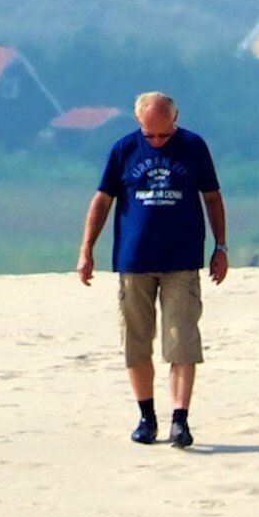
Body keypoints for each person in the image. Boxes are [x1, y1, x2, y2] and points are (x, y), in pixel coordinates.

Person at [76, 91, 226, 449]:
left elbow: (212, 197)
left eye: (164, 133)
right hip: (134, 260)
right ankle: (146, 417)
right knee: (136, 341)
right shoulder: (123, 149)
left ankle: (180, 419)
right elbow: (102, 199)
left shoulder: (193, 147)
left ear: (175, 119)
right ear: (137, 122)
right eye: (150, 134)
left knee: (182, 341)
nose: (158, 141)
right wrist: (86, 249)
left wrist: (220, 247)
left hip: (181, 261)